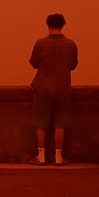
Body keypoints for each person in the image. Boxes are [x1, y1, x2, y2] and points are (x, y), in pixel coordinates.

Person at [28, 14, 78, 166]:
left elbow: (34, 63)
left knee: (41, 122)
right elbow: (73, 65)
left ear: (47, 24)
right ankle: (59, 157)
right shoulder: (71, 44)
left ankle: (41, 156)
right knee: (60, 124)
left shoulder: (40, 44)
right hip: (63, 88)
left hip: (43, 88)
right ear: (63, 24)